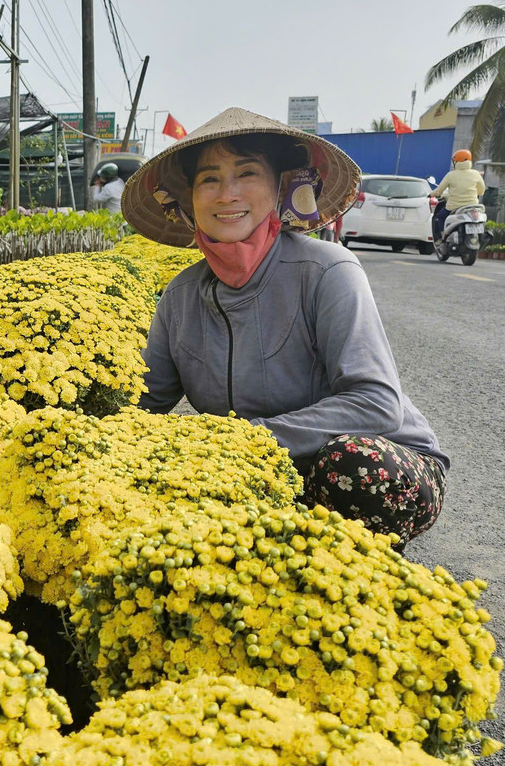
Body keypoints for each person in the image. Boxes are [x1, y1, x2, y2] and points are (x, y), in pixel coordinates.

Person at [121, 107, 449, 544]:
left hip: (377, 459)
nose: (227, 194)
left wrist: (244, 440)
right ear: (190, 199)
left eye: (247, 173)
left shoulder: (328, 270)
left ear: (281, 187)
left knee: (352, 464)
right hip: (262, 469)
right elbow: (144, 402)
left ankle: (357, 572)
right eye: (209, 179)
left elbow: (377, 403)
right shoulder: (181, 296)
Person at [431, 149, 486, 241]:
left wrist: (431, 195)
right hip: (472, 206)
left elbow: (439, 191)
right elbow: (481, 191)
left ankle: (443, 237)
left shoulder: (451, 175)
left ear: (456, 162)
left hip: (454, 207)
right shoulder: (476, 174)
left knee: (440, 217)